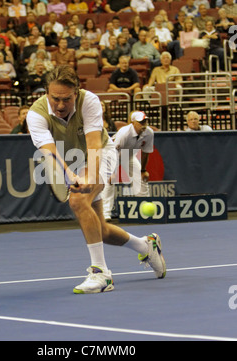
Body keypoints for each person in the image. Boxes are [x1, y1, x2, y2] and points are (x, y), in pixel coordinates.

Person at [26, 65, 166, 294]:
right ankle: (146, 245)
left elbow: (93, 144)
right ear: (46, 93)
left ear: (76, 92)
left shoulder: (89, 100)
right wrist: (68, 174)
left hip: (102, 152)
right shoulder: (35, 114)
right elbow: (50, 151)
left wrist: (90, 174)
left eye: (66, 99)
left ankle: (101, 274)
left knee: (78, 201)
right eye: (55, 99)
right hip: (69, 160)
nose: (60, 105)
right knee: (101, 229)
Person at [102, 110, 154, 220]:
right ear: (133, 122)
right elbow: (113, 151)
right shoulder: (124, 132)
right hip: (110, 155)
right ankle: (105, 213)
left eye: (145, 122)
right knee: (110, 180)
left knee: (141, 178)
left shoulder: (149, 133)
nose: (144, 125)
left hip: (128, 156)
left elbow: (145, 153)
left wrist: (143, 170)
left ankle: (144, 206)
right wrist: (111, 172)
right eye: (141, 122)